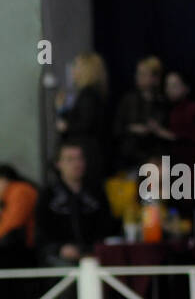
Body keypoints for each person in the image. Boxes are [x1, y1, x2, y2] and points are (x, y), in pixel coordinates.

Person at [36, 142, 117, 266]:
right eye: (70, 159)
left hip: (94, 254)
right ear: (58, 164)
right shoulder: (48, 195)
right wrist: (59, 249)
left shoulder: (96, 192)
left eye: (80, 158)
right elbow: (42, 233)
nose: (76, 164)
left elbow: (106, 226)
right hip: (60, 256)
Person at [55, 52, 110, 189]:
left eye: (76, 66)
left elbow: (85, 124)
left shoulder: (88, 95)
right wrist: (62, 111)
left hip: (85, 154)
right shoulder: (93, 94)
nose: (73, 71)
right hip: (88, 152)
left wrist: (66, 127)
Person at [112, 55, 167, 172]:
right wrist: (132, 129)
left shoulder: (163, 102)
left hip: (156, 161)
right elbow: (116, 129)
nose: (138, 78)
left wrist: (157, 130)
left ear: (155, 78)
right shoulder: (128, 100)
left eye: (143, 74)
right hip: (130, 159)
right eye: (138, 74)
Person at [153, 70, 195, 168]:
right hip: (168, 166)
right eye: (167, 86)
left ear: (186, 87)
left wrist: (167, 134)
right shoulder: (164, 110)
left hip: (191, 166)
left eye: (175, 85)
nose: (169, 89)